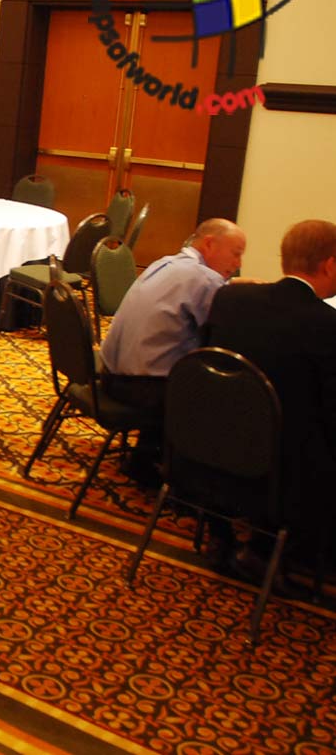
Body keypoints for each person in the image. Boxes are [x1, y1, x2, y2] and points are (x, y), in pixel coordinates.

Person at [203, 219, 336, 567]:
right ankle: (279, 554)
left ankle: (221, 533)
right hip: (280, 472)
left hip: (205, 448)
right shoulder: (326, 325)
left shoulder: (230, 297)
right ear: (330, 265)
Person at [98, 218, 247, 485]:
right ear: (210, 244)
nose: (238, 264)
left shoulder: (166, 263)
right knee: (226, 391)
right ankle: (192, 481)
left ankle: (146, 456)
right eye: (236, 254)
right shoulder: (204, 278)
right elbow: (224, 333)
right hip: (141, 388)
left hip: (108, 374)